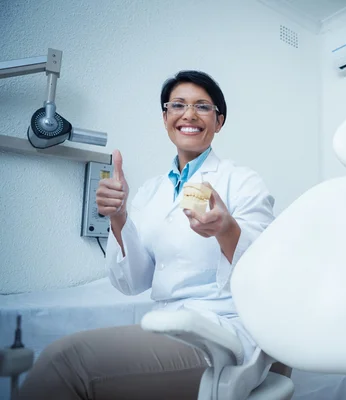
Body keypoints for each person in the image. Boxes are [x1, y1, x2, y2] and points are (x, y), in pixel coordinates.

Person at [17, 70, 277, 399]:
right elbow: (132, 282)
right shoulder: (151, 191)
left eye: (202, 107)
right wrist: (119, 218)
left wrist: (227, 230)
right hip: (167, 326)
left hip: (220, 334)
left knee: (65, 362)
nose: (189, 115)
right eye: (178, 105)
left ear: (219, 121)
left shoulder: (242, 181)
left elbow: (266, 272)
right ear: (165, 117)